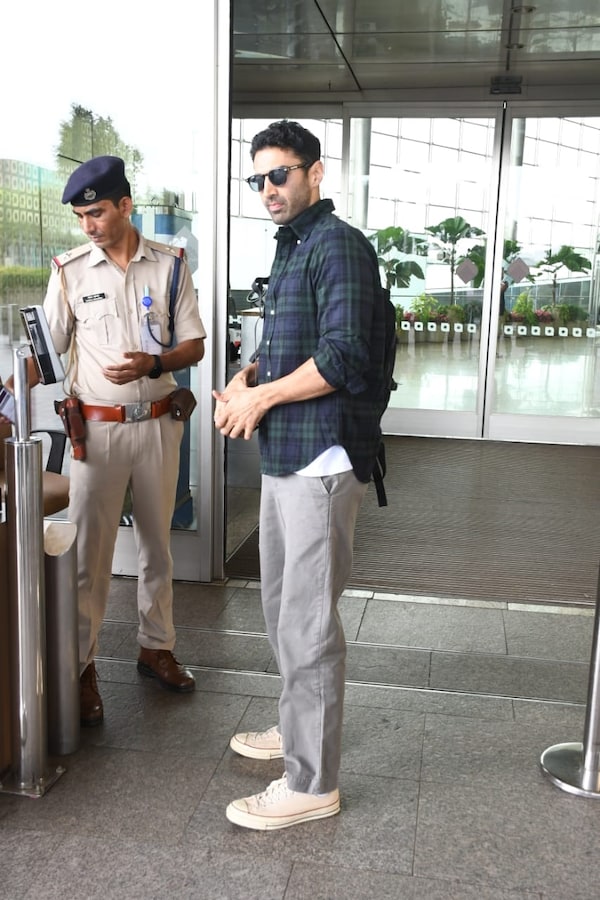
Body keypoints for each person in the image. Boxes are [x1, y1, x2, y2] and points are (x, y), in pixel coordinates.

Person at [213, 120, 388, 830]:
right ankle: (298, 728)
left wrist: (260, 398)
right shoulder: (293, 249)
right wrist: (251, 374)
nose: (266, 190)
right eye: (256, 179)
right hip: (288, 454)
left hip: (321, 459)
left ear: (316, 173)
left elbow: (344, 355)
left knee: (310, 623)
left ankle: (312, 782)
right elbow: (302, 343)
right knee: (285, 610)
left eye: (278, 175)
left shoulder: (338, 245)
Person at [1, 155, 206, 726]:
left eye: (96, 212)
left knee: (157, 546)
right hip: (96, 429)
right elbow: (45, 357)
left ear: (124, 205)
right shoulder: (69, 271)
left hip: (159, 424)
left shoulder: (169, 266)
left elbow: (195, 345)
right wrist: (3, 400)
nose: (88, 225)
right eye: (80, 216)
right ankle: (80, 667)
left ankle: (156, 646)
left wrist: (157, 360)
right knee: (90, 556)